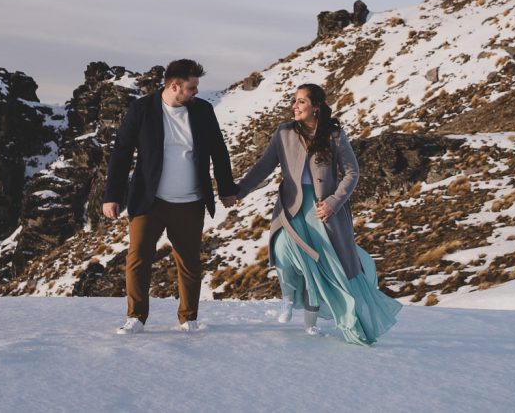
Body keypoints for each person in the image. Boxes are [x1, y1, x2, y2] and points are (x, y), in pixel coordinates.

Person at [236, 83, 401, 345]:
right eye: (294, 101)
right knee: (283, 251)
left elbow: (352, 173)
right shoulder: (285, 132)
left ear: (316, 106)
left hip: (323, 210)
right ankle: (288, 298)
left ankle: (311, 324)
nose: (295, 106)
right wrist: (240, 191)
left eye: (301, 101)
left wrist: (334, 202)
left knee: (319, 267)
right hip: (291, 206)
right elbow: (264, 166)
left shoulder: (334, 136)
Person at [102, 59, 238, 334]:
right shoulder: (142, 109)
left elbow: (218, 151)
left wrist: (226, 189)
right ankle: (136, 317)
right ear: (174, 86)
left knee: (189, 261)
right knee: (138, 257)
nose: (195, 92)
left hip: (190, 202)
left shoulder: (202, 111)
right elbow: (122, 152)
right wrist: (112, 195)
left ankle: (188, 318)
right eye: (191, 87)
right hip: (149, 201)